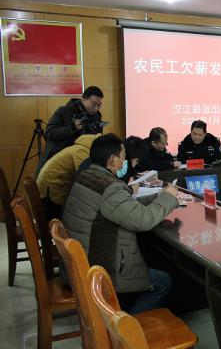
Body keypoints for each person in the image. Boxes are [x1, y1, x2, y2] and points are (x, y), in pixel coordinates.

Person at [62, 133, 179, 314]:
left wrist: (158, 197)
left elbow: (125, 206)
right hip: (100, 267)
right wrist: (169, 197)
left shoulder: (87, 176)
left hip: (81, 261)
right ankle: (126, 330)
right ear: (113, 160)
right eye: (124, 156)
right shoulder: (110, 187)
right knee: (163, 281)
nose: (126, 160)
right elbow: (143, 220)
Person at [35, 86, 104, 176]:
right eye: (93, 104)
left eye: (99, 105)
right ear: (83, 100)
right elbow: (49, 133)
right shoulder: (64, 111)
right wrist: (72, 128)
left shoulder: (97, 119)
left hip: (80, 163)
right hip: (56, 162)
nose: (96, 108)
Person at [36, 134, 100, 220]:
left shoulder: (79, 147)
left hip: (48, 188)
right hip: (52, 193)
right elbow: (85, 177)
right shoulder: (82, 151)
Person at [75, 136, 148, 185]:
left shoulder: (95, 159)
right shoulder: (111, 174)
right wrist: (131, 190)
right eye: (123, 155)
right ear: (113, 158)